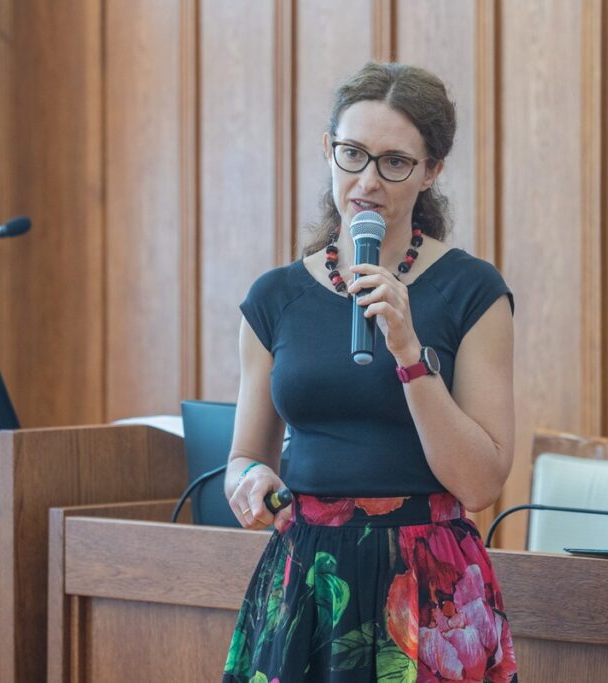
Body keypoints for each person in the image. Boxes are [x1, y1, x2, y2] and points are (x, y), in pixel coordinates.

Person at [222, 61, 518, 683]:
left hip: (428, 578)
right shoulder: (274, 298)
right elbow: (241, 460)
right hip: (306, 574)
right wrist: (250, 482)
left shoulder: (471, 291)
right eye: (351, 154)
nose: (367, 180)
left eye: (394, 162)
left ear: (432, 171)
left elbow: (481, 482)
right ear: (327, 150)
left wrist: (410, 352)